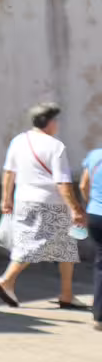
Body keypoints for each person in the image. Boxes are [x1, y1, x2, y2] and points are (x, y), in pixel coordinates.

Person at [0, 102, 85, 310]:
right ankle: (6, 281)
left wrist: (6, 198)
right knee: (33, 245)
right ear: (50, 122)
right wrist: (76, 209)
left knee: (65, 247)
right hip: (50, 203)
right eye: (56, 120)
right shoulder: (55, 147)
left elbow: (9, 171)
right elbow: (62, 183)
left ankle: (67, 294)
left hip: (24, 200)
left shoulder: (18, 141)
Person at [81, 133, 102, 329]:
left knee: (100, 264)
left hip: (95, 216)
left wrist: (92, 204)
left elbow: (83, 185)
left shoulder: (94, 156)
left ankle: (99, 316)